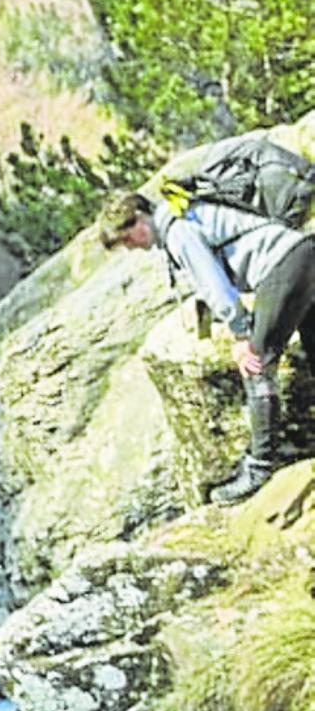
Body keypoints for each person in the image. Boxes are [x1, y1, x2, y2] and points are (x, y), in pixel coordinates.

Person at [97, 189, 315, 504]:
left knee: (256, 364)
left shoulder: (177, 231)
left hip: (282, 267)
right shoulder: (184, 215)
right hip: (304, 251)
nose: (132, 249)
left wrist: (241, 335)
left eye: (127, 239)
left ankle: (260, 467)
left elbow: (216, 285)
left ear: (138, 219)